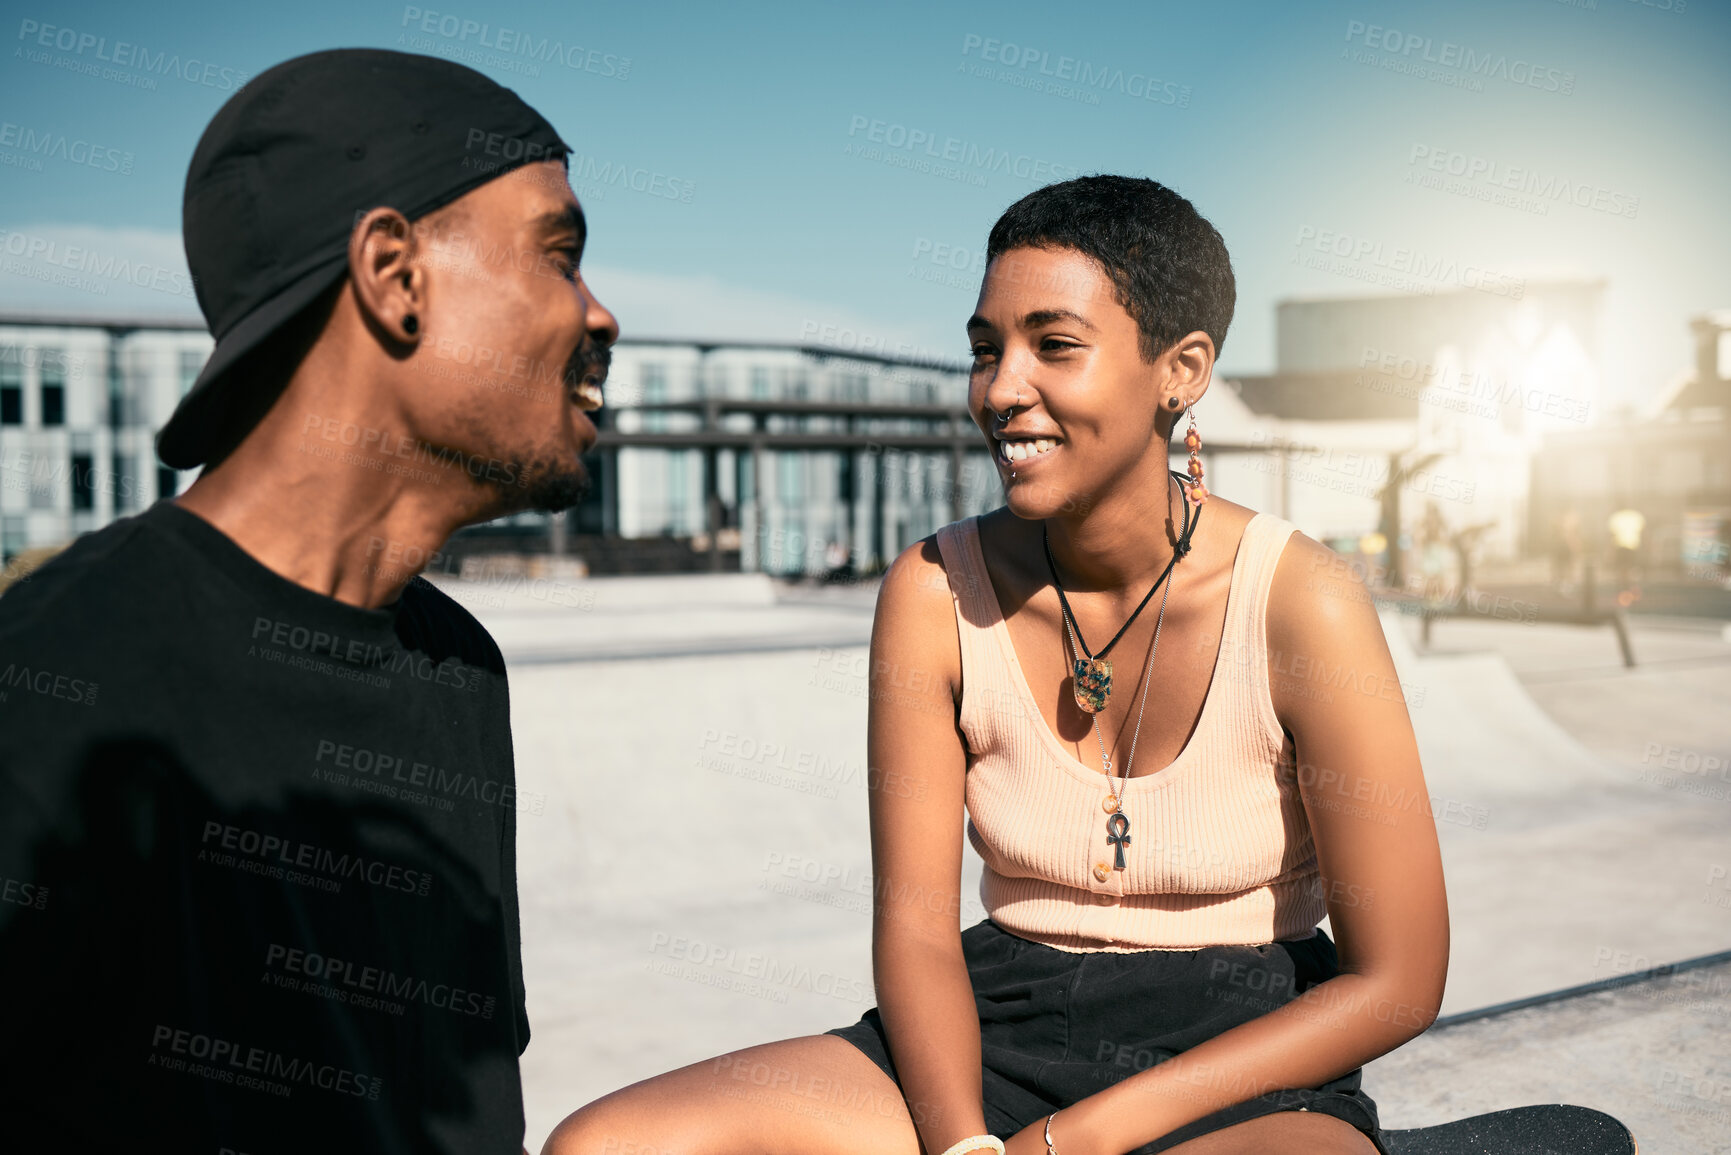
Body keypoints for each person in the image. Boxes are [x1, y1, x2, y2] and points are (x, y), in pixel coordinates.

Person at [545, 176, 1447, 1155]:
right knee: (604, 1147)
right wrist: (966, 1143)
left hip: (1245, 1058)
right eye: (986, 350)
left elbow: (1397, 980)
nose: (1002, 389)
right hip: (992, 1032)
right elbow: (918, 933)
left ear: (1180, 370)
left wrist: (1086, 1136)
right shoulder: (935, 591)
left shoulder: (1301, 600)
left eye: (1054, 346)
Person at [0, 48, 618, 1153]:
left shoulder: (459, 670)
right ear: (394, 275)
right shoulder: (52, 683)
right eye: (560, 256)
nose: (600, 314)